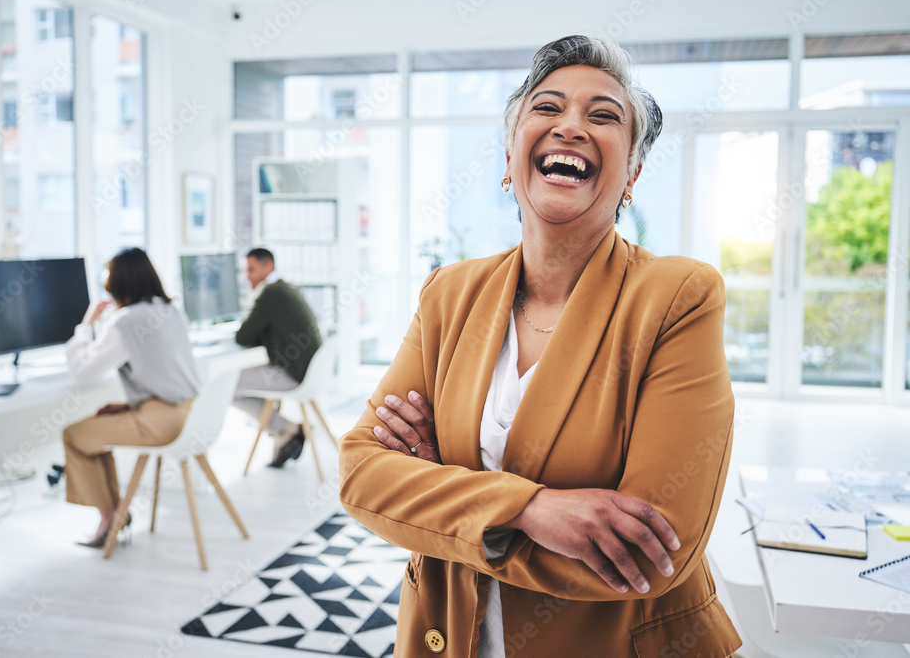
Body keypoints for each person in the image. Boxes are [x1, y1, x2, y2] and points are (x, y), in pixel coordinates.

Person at [338, 35, 742, 657]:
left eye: (604, 116)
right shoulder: (449, 293)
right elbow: (363, 473)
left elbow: (651, 555)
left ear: (631, 173)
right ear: (509, 156)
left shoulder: (677, 296)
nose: (571, 127)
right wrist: (528, 509)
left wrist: (438, 486)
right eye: (546, 108)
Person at [63, 248, 200, 548]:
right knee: (99, 427)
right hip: (187, 415)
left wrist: (86, 324)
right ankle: (115, 514)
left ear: (117, 282)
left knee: (74, 436)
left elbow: (84, 370)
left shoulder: (126, 321)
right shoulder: (170, 310)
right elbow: (167, 374)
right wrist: (127, 405)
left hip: (161, 424)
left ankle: (110, 516)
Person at [233, 248, 322, 468]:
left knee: (225, 385)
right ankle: (286, 434)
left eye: (251, 270)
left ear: (268, 267)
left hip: (294, 374)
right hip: (310, 371)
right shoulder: (285, 288)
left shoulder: (270, 293)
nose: (247, 276)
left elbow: (243, 336)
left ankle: (289, 429)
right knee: (231, 383)